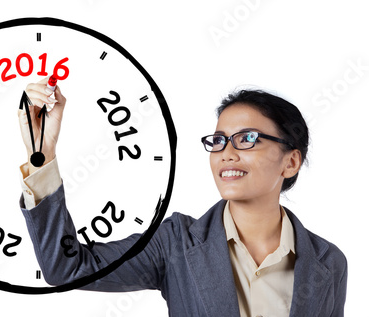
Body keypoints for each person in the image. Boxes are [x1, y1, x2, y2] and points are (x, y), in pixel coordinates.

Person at [17, 77, 347, 316]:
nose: (226, 153)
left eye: (247, 138)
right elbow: (66, 267)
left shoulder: (329, 263)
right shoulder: (175, 243)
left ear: (290, 162)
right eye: (218, 140)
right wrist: (42, 156)